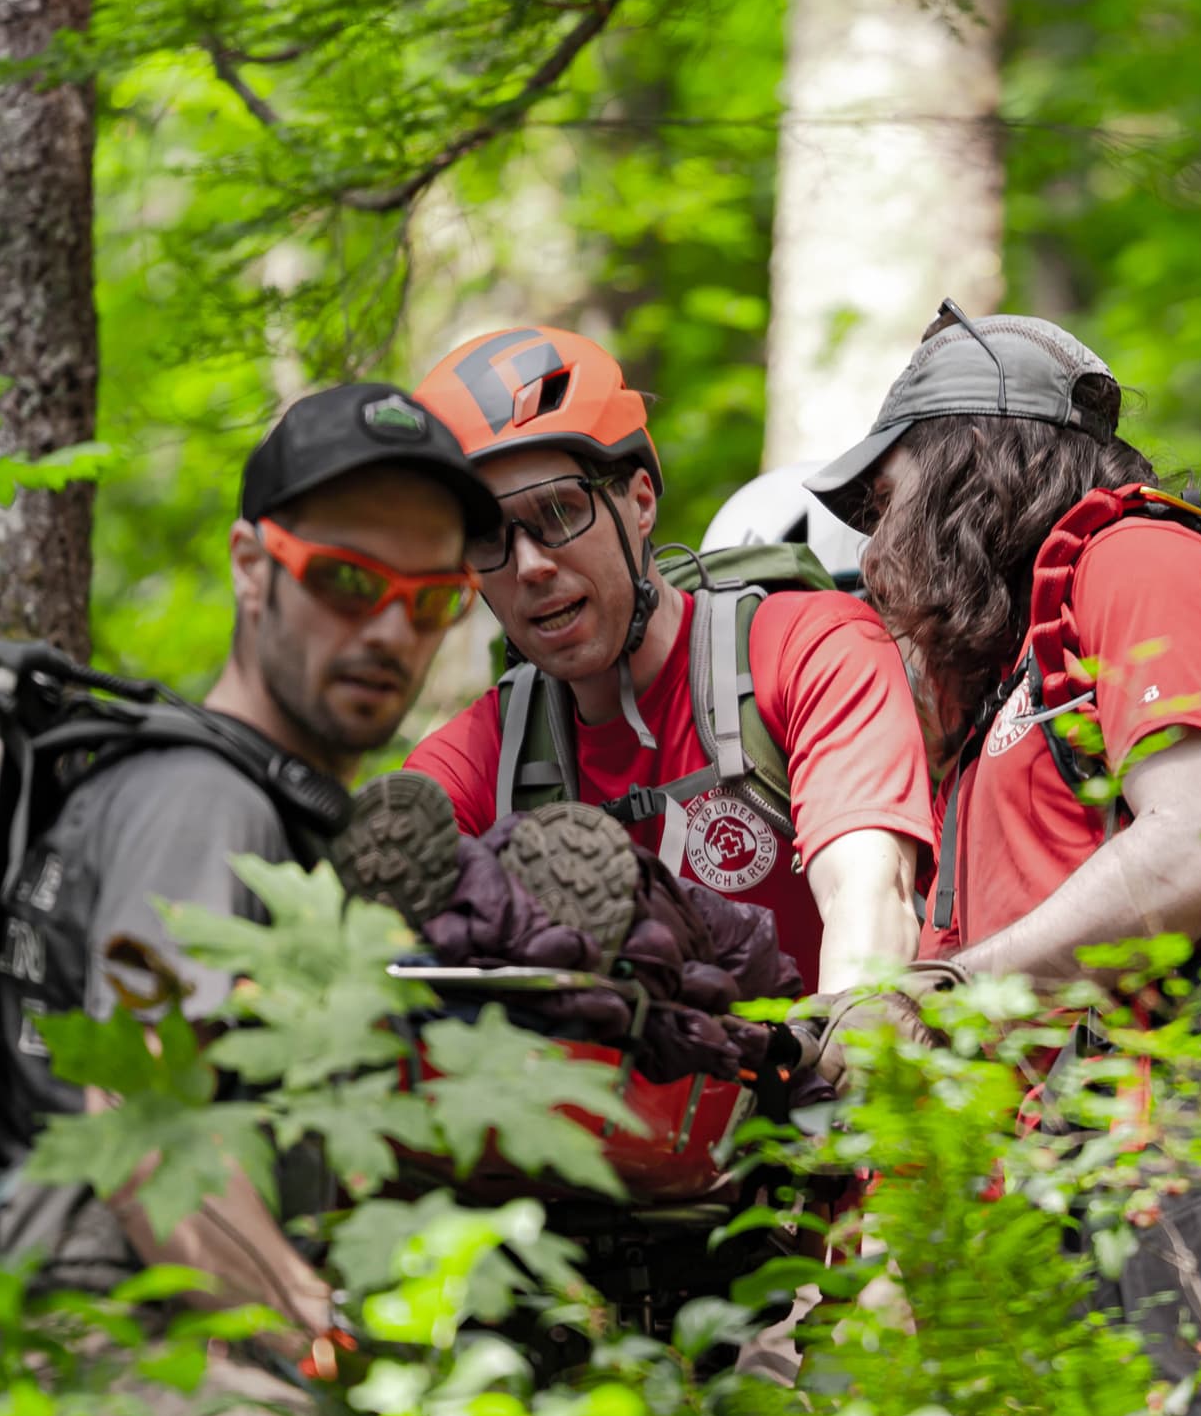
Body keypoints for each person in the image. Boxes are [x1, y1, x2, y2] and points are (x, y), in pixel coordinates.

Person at [802, 307, 1201, 1416]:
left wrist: (948, 991)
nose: (872, 543)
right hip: (1069, 1203)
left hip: (1198, 1172)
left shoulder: (1143, 559)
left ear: (967, 464)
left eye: (884, 497)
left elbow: (1197, 847)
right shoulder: (1014, 686)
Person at [10, 383, 506, 1336]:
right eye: (345, 581)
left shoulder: (269, 807)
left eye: (433, 599)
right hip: (103, 1352)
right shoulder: (206, 804)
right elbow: (144, 1129)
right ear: (251, 567)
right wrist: (321, 1345)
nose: (389, 632)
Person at [400, 324, 933, 1002]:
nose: (530, 565)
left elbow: (870, 892)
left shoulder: (810, 648)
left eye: (560, 511)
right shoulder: (479, 758)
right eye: (487, 538)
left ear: (641, 502)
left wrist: (845, 1035)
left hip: (817, 1089)